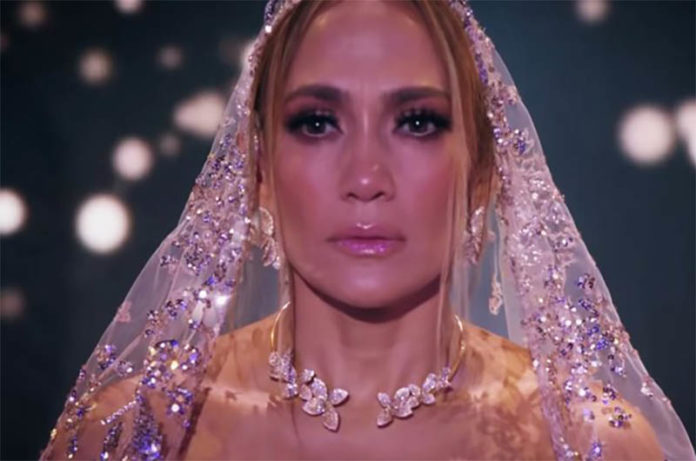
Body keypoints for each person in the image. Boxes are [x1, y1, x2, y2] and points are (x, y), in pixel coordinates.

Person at [40, 0, 695, 460]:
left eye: (417, 122)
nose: (365, 177)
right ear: (258, 169)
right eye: (317, 123)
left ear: (482, 174)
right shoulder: (136, 431)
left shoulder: (585, 441)